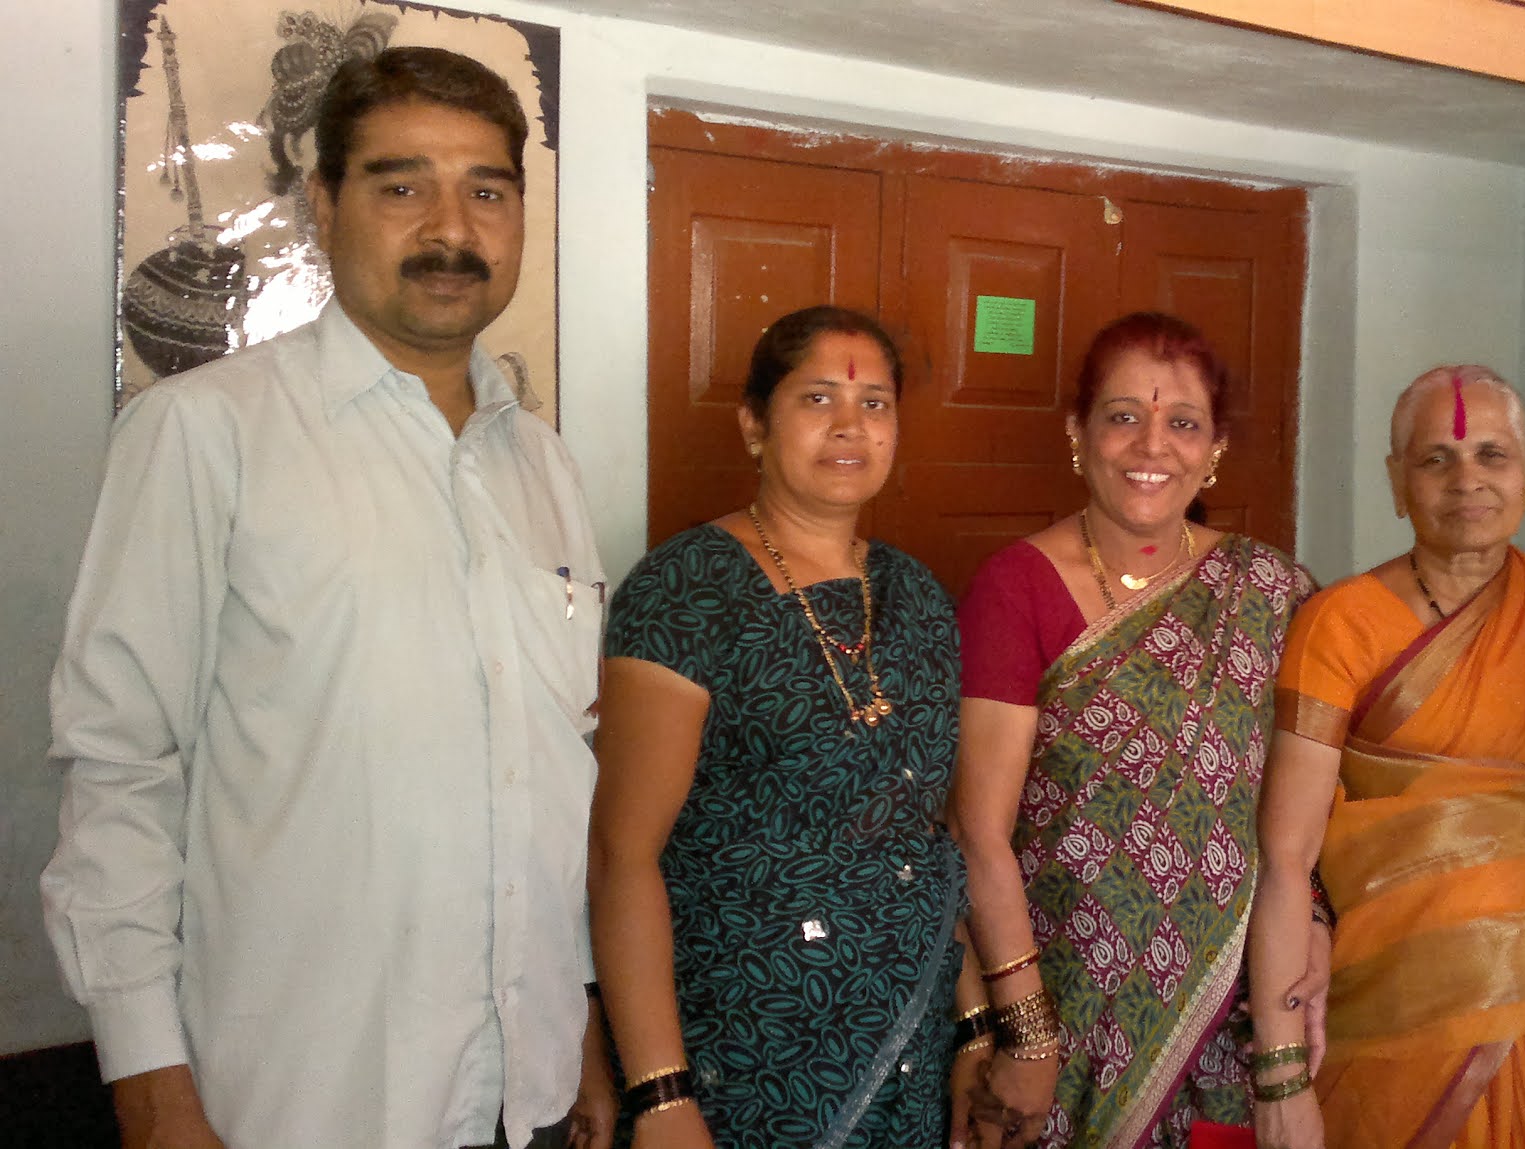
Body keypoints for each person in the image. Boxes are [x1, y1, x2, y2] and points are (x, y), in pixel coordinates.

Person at [41, 47, 612, 1149]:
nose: (452, 229)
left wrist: (575, 1017)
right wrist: (147, 1078)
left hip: (523, 1090)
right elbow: (121, 762)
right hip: (306, 1096)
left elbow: (553, 768)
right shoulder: (205, 433)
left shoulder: (543, 466)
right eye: (402, 186)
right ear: (323, 202)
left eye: (487, 191)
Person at [589, 306, 970, 1149]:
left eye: (874, 403)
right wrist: (660, 1092)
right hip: (740, 1046)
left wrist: (976, 1025)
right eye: (817, 398)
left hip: (910, 1039)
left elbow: (935, 841)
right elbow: (621, 854)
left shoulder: (917, 596)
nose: (850, 425)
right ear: (754, 425)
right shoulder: (686, 590)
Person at [950, 312, 1320, 1149]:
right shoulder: (1016, 588)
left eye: (1183, 423)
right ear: (1078, 433)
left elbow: (1304, 814)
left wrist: (1315, 935)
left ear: (1215, 448)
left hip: (1233, 1020)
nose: (1152, 445)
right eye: (1123, 416)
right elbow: (977, 833)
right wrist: (1028, 1035)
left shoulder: (1270, 590)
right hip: (1059, 1005)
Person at [1248, 366, 1525, 1149]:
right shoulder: (1340, 623)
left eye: (1493, 454)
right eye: (1435, 458)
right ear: (1397, 481)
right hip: (1387, 1016)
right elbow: (1286, 856)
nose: (1467, 479)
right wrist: (1280, 1074)